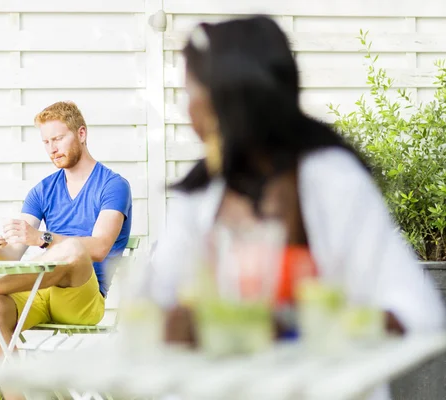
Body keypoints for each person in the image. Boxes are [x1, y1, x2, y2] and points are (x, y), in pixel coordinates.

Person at [150, 16, 445, 400]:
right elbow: (157, 303)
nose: (186, 109)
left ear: (231, 96)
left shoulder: (332, 180)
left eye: (192, 91)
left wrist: (309, 326)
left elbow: (419, 312)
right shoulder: (201, 192)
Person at [0, 101, 132, 355]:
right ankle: (15, 393)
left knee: (73, 248)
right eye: (46, 142)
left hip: (81, 298)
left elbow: (100, 247)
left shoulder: (113, 185)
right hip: (41, 291)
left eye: (58, 138)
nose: (52, 149)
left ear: (81, 134)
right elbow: (13, 255)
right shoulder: (42, 190)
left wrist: (42, 238)